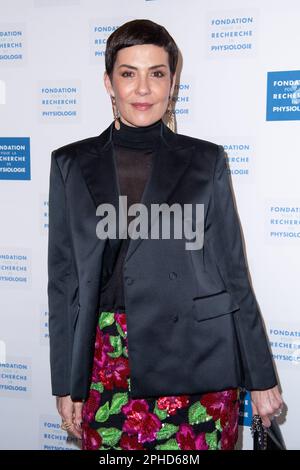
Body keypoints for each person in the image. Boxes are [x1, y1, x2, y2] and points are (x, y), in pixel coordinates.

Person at [47, 19, 284, 451]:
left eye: (156, 73)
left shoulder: (205, 160)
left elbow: (234, 274)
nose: (142, 88)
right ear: (108, 82)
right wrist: (65, 381)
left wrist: (261, 377)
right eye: (128, 73)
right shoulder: (70, 164)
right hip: (109, 364)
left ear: (172, 82)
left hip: (199, 364)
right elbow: (63, 283)